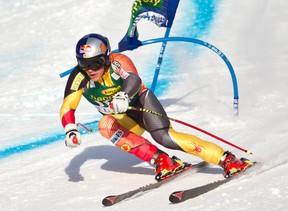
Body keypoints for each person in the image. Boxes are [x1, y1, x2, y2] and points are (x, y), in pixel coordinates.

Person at [60, 33, 253, 181]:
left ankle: (226, 159)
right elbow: (68, 105)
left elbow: (134, 79)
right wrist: (70, 129)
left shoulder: (118, 62)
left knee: (165, 137)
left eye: (96, 62)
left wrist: (123, 95)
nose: (91, 69)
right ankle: (162, 160)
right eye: (84, 64)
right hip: (124, 118)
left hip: (142, 105)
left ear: (107, 57)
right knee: (105, 125)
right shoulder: (80, 77)